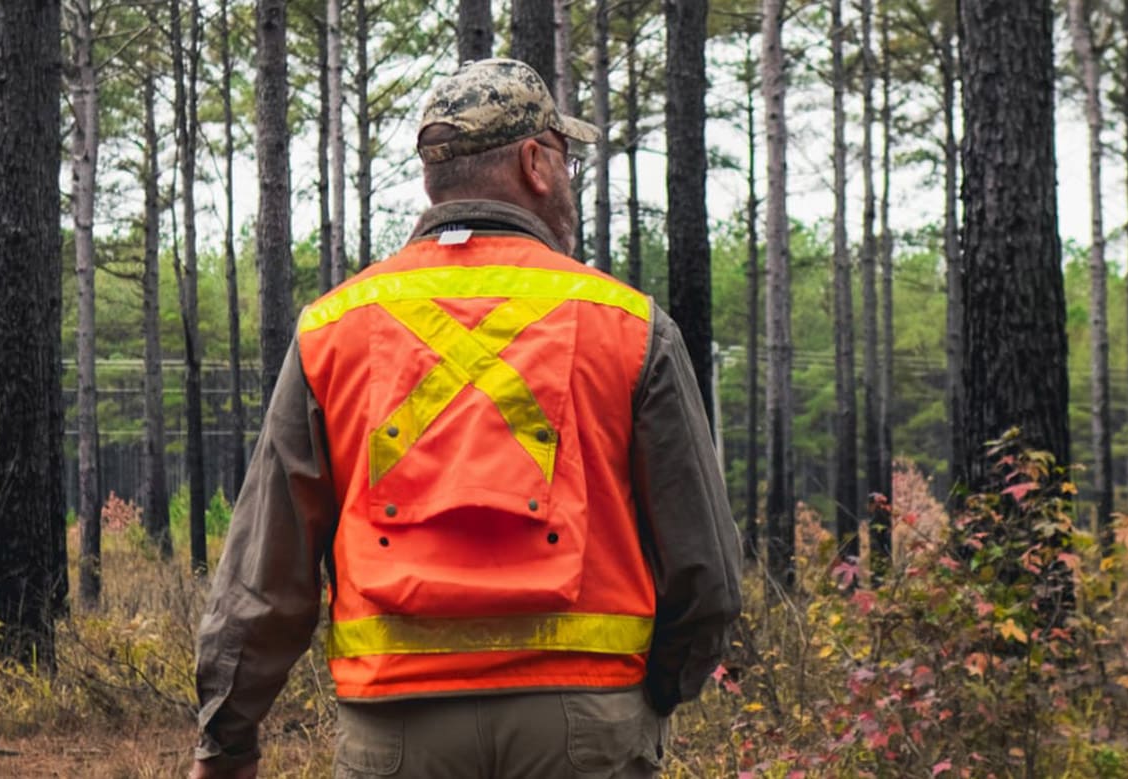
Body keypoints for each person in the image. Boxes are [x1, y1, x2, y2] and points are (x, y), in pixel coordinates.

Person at [190, 57, 741, 779]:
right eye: (566, 158)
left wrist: (226, 740)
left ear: (432, 177)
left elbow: (267, 573)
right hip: (583, 723)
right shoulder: (630, 325)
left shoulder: (334, 327)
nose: (570, 180)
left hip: (397, 729)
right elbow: (707, 573)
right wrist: (656, 691)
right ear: (535, 163)